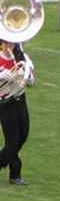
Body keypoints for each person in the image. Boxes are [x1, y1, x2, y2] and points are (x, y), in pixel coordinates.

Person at [0, 41, 35, 185]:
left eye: (14, 43)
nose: (11, 46)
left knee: (23, 136)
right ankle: (15, 174)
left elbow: (32, 82)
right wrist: (6, 74)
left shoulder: (22, 58)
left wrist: (28, 76)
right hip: (4, 102)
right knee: (13, 141)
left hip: (20, 99)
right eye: (8, 42)